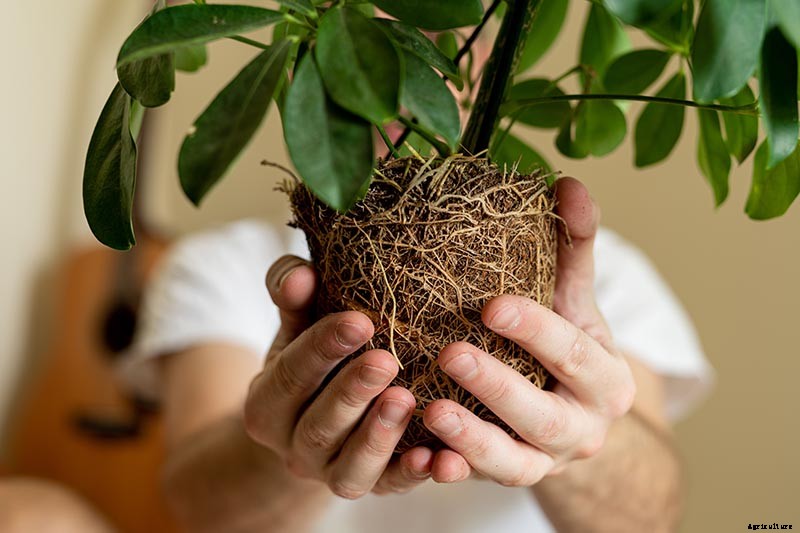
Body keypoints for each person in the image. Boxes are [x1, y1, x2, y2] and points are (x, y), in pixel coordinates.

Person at [121, 178, 712, 532]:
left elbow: (652, 516)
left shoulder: (605, 271)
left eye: (441, 33)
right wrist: (287, 450)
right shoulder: (218, 264)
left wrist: (581, 439)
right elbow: (198, 508)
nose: (405, 63)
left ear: (487, 53)